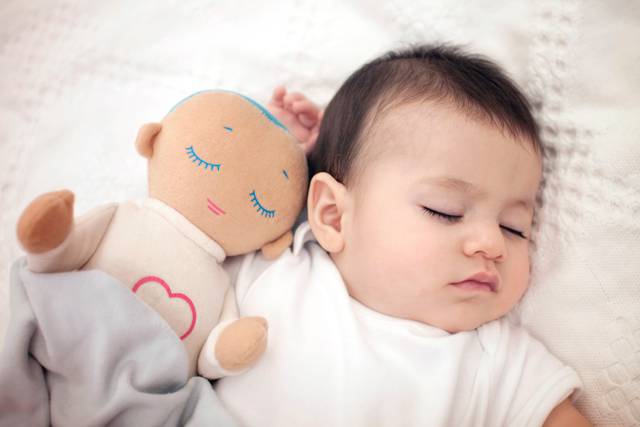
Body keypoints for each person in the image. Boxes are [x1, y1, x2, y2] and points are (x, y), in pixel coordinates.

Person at [216, 44, 592, 426]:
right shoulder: (276, 269)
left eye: (514, 228)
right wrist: (283, 154)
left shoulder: (498, 362)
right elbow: (204, 208)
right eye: (445, 211)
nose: (493, 245)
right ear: (332, 216)